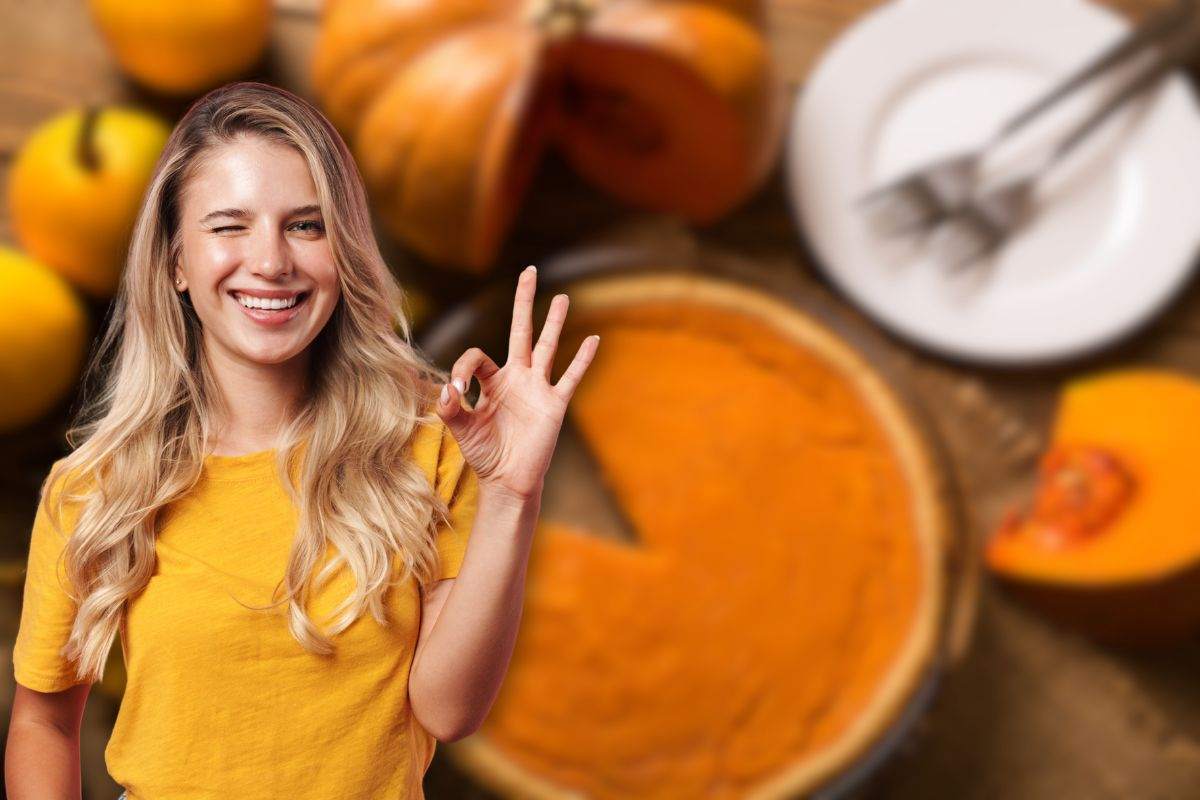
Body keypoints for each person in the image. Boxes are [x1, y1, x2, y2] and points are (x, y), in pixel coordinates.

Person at [4, 81, 599, 800]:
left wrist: (512, 494)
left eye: (306, 225)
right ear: (175, 263)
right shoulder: (94, 489)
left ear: (343, 250)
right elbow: (45, 723)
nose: (271, 261)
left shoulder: (430, 449)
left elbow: (449, 710)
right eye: (229, 226)